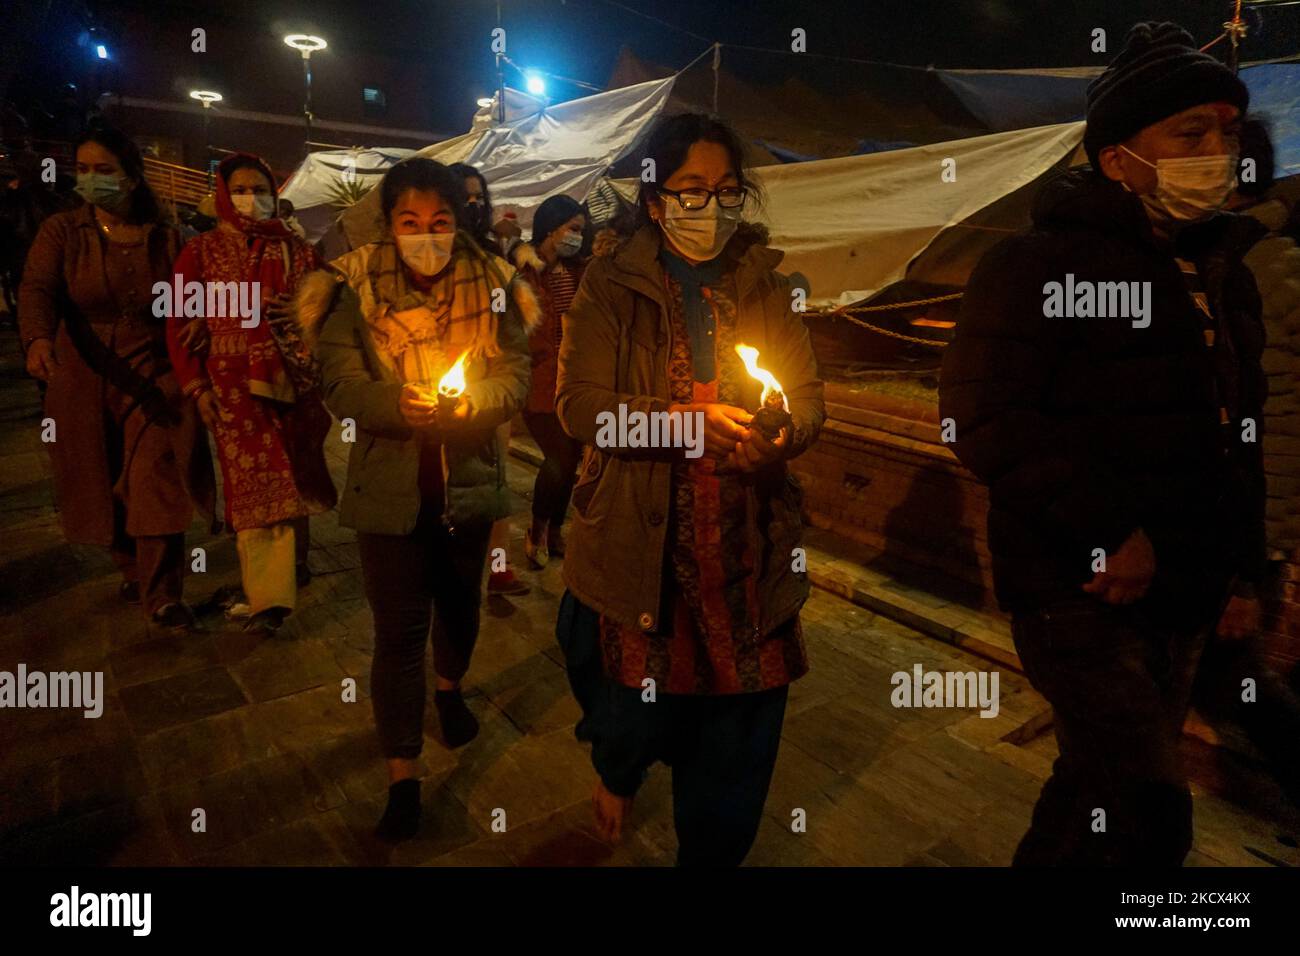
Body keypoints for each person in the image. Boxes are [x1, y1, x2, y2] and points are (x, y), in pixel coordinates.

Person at [939, 22, 1267, 866]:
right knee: (1149, 811)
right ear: (1117, 157)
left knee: (1094, 786)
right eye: (1188, 134)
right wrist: (1106, 530)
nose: (1216, 151)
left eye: (1225, 133)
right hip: (1077, 592)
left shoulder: (1224, 273)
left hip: (1190, 590)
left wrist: (1246, 569)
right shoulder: (1034, 267)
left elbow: (1240, 433)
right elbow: (984, 418)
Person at [554, 112, 825, 865]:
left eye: (728, 190)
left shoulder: (770, 283)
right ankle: (621, 766)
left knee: (732, 777)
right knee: (636, 718)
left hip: (749, 563)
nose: (712, 207)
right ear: (654, 197)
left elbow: (806, 399)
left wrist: (780, 436)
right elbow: (582, 410)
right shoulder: (609, 285)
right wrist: (685, 426)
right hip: (644, 559)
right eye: (691, 190)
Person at [295, 158, 538, 840]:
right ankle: (402, 770)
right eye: (410, 223)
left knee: (460, 609)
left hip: (469, 483)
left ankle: (451, 686)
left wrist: (472, 405)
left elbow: (515, 375)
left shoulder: (495, 284)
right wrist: (397, 404)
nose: (426, 236)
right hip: (389, 492)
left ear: (458, 221)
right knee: (398, 634)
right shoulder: (350, 287)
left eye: (439, 223)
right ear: (389, 223)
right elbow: (340, 386)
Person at [18, 125, 215, 629]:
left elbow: (194, 294)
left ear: (130, 178)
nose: (90, 179)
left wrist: (198, 316)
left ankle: (164, 592)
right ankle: (130, 565)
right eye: (83, 170)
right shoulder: (63, 232)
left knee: (156, 475)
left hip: (156, 375)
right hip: (83, 375)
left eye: (103, 170)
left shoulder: (166, 236)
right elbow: (38, 289)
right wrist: (38, 339)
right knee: (100, 477)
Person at [165, 152, 337, 631]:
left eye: (260, 189)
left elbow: (327, 303)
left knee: (291, 481)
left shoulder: (298, 252)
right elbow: (178, 323)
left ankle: (283, 581)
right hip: (230, 392)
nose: (251, 198)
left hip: (290, 386)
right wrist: (197, 388)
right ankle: (268, 598)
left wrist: (303, 313)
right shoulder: (198, 253)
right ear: (223, 193)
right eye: (240, 188)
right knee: (253, 491)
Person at [450, 161, 528, 595]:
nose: (474, 204)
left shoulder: (494, 262)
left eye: (480, 196)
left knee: (495, 481)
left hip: (488, 388)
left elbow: (506, 325)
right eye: (465, 196)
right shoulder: (427, 256)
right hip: (437, 388)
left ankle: (498, 567)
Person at [518, 193, 588, 568]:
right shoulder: (525, 274)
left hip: (574, 382)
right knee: (558, 460)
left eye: (581, 231)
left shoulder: (581, 272)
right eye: (573, 229)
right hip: (539, 381)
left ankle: (556, 532)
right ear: (551, 226)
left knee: (571, 459)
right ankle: (538, 531)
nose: (577, 237)